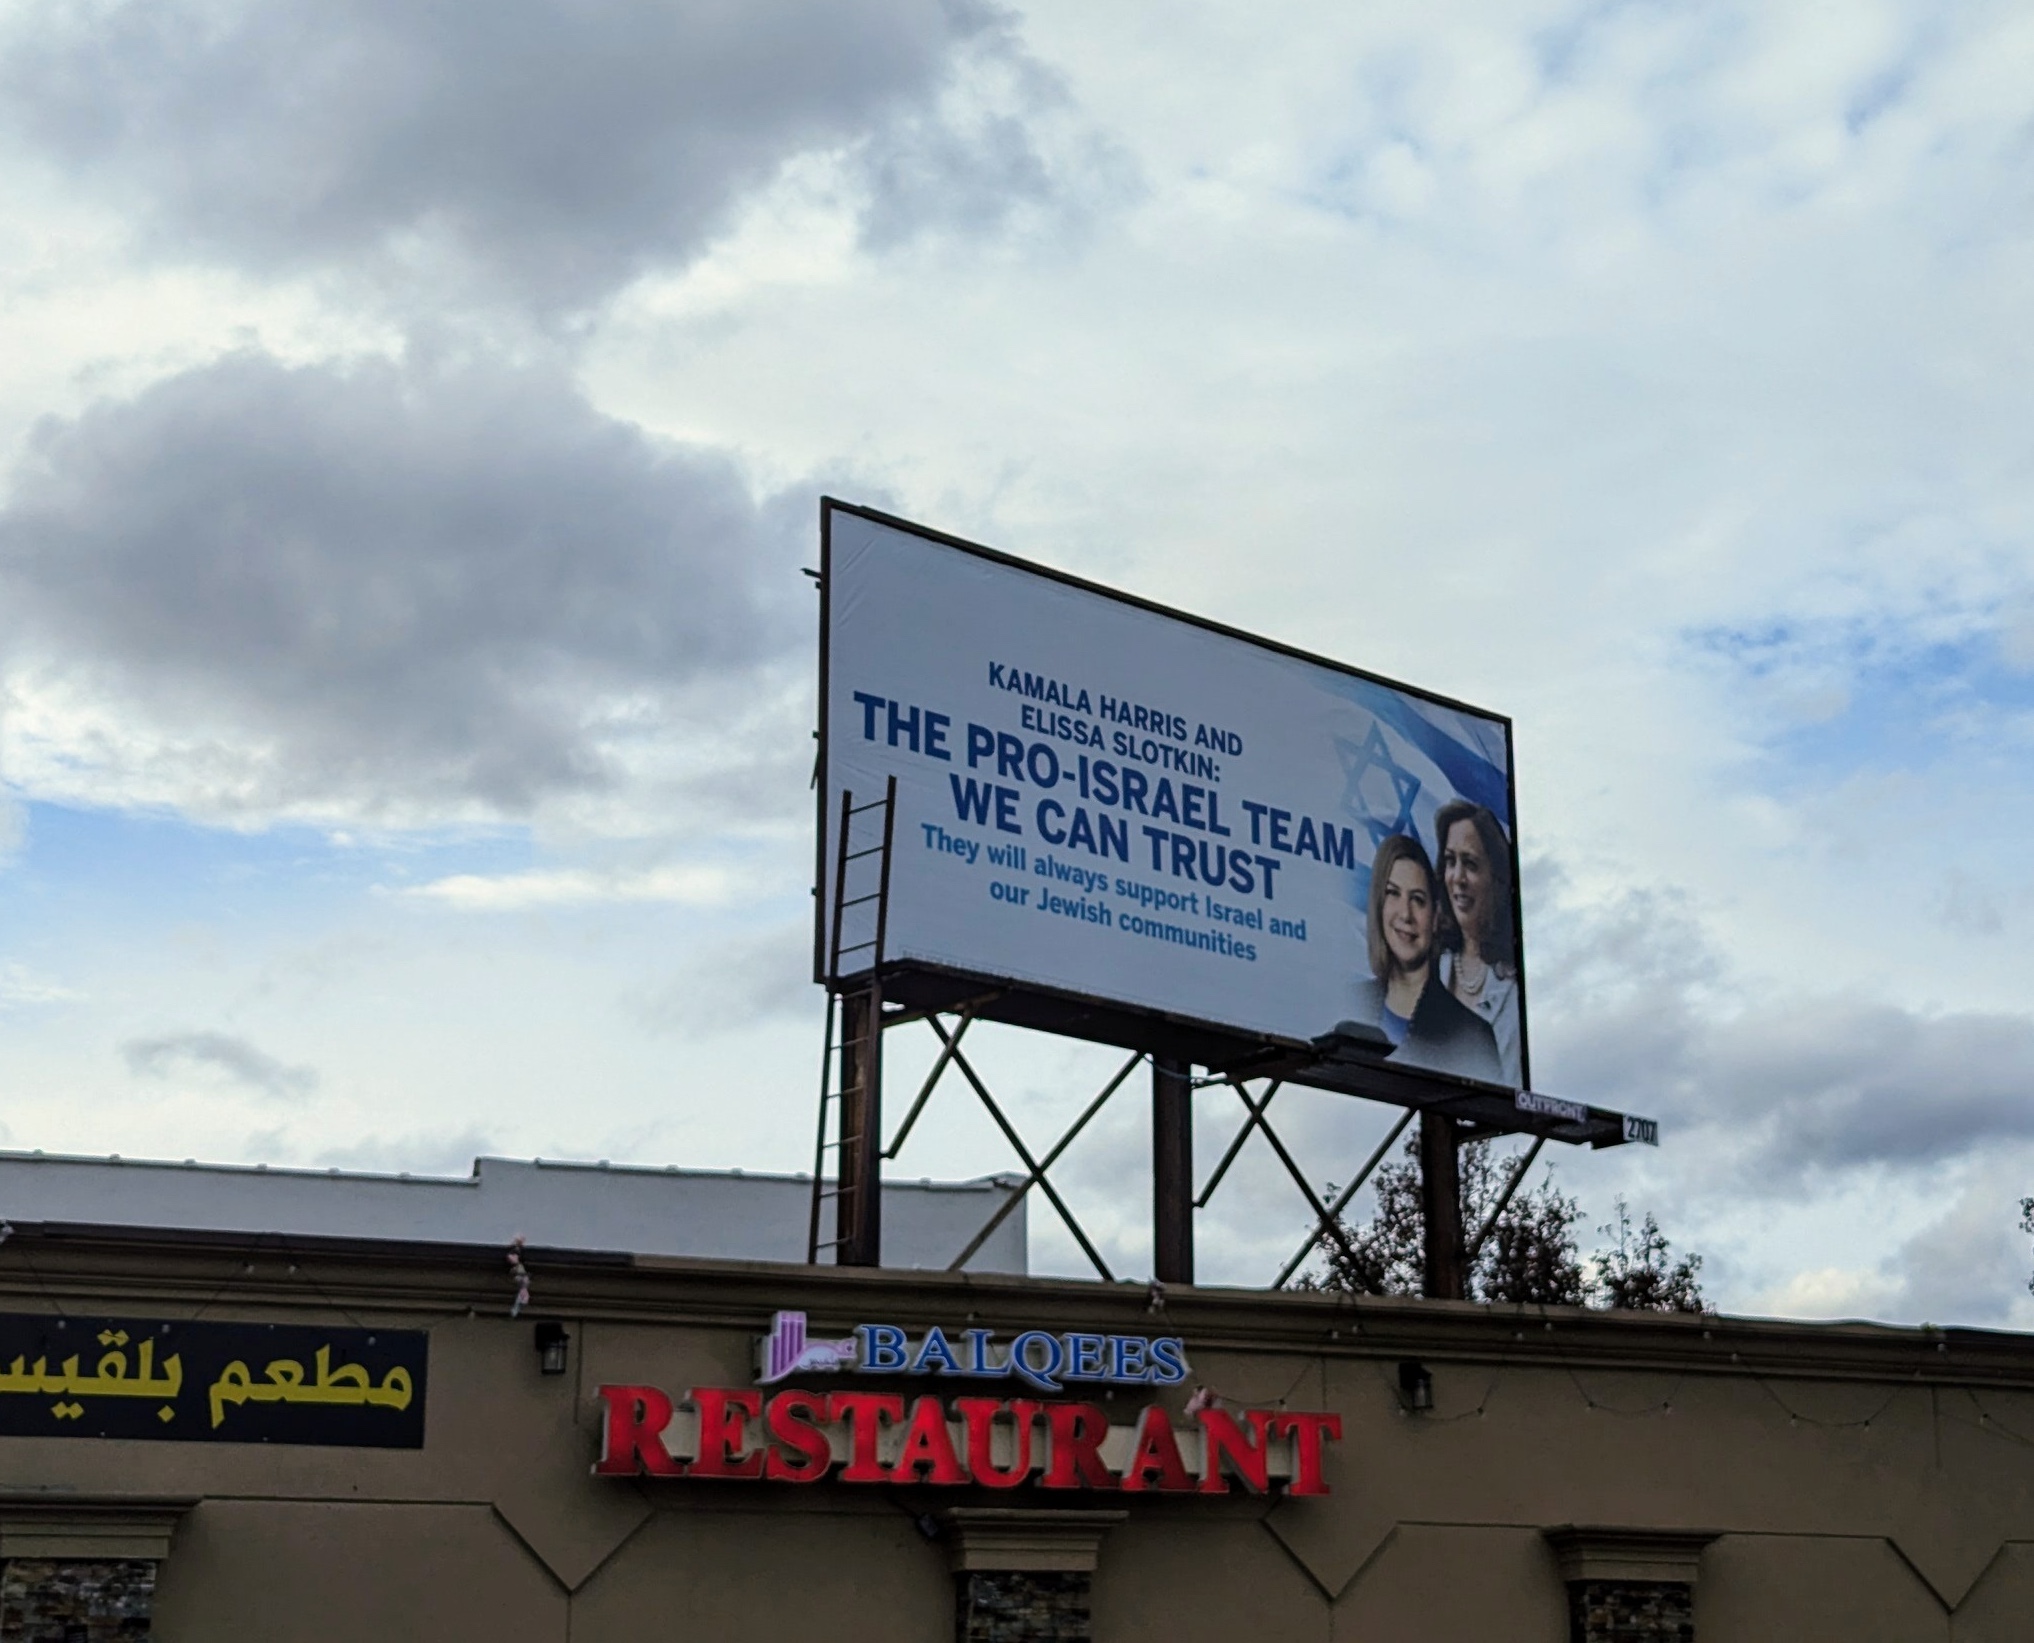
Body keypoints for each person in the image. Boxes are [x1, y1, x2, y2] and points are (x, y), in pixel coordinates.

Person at [1338, 833, 1501, 1083]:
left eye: (1418, 899)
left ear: (1435, 916)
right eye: (1393, 893)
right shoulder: (1347, 1005)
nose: (1405, 914)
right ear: (1378, 904)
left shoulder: (1470, 1036)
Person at [1432, 800, 1521, 1084]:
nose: (1457, 878)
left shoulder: (1512, 987)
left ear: (1496, 878)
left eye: (1470, 864)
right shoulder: (1432, 967)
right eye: (1450, 861)